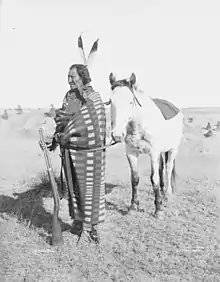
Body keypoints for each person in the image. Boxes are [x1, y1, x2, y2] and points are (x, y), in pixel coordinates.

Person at [48, 64, 107, 243]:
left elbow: (93, 122)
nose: (69, 80)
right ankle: (78, 222)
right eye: (68, 76)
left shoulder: (93, 97)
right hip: (70, 152)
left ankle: (91, 228)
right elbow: (62, 118)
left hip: (90, 154)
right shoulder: (68, 96)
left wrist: (69, 130)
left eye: (73, 76)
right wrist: (56, 138)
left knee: (89, 191)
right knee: (73, 189)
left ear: (83, 77)